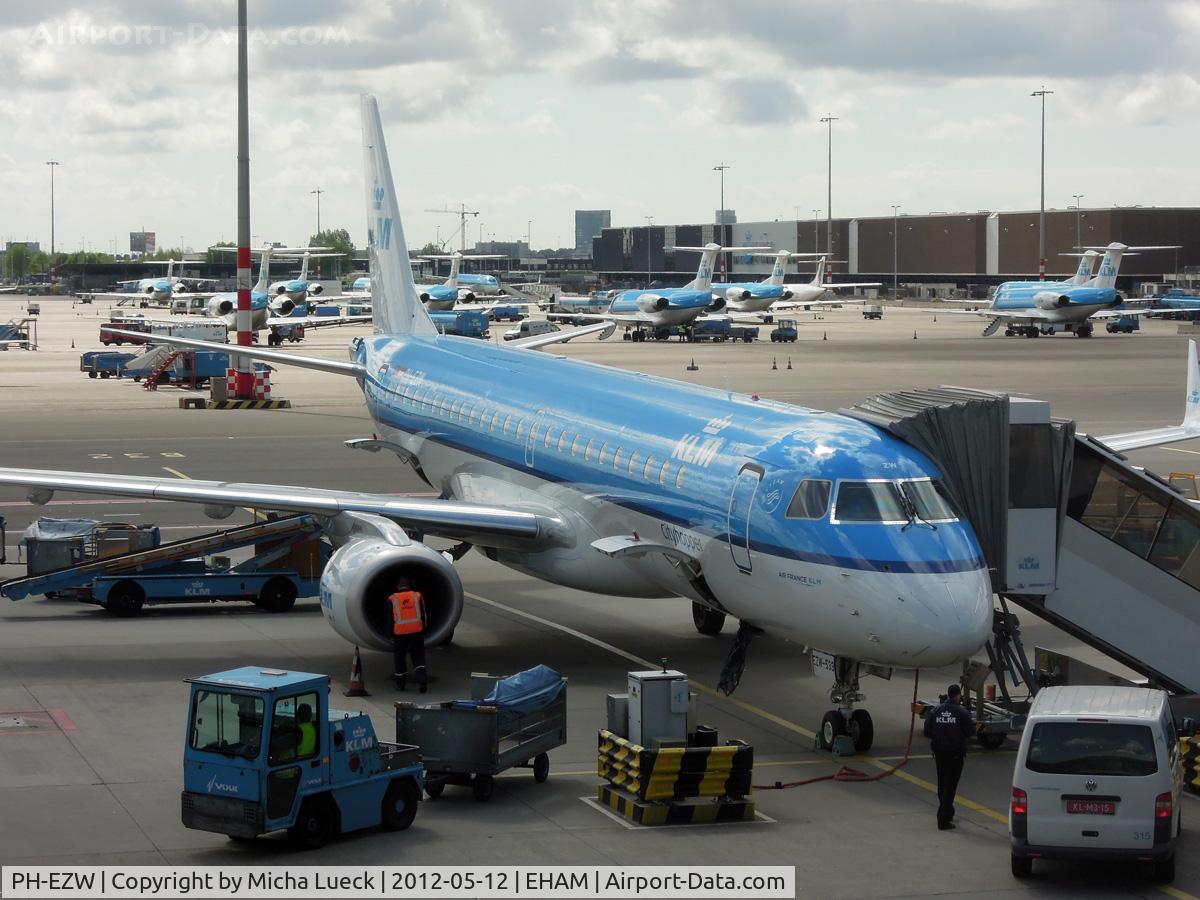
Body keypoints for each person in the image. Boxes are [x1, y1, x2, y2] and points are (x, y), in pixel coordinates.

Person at [923, 683, 974, 830]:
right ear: (958, 695)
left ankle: (948, 812)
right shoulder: (962, 712)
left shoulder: (935, 711)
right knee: (950, 787)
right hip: (955, 754)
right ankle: (943, 819)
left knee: (942, 784)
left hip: (940, 753)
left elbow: (927, 732)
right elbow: (970, 732)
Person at [389, 577, 428, 693]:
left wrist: (389, 634)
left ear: (398, 586)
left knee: (400, 660)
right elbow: (423, 615)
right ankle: (422, 680)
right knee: (418, 657)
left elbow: (390, 619)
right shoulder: (417, 596)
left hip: (400, 634)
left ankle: (400, 685)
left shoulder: (393, 599)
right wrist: (424, 630)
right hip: (416, 632)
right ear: (408, 586)